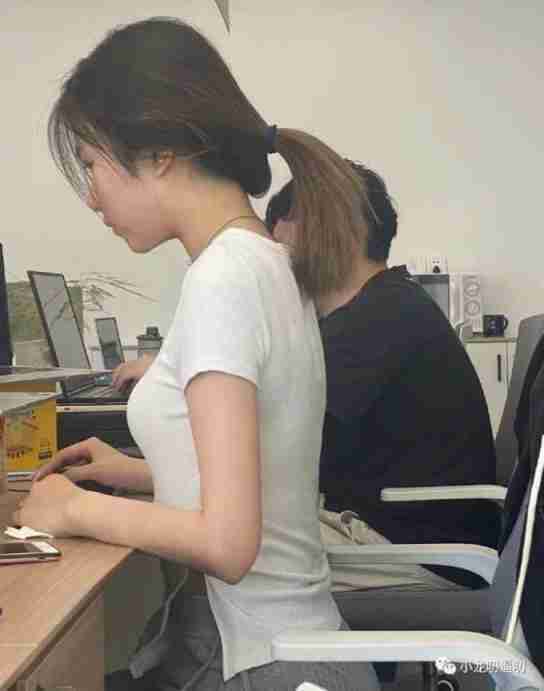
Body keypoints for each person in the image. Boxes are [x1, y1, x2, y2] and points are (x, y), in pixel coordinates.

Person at [14, 17, 380, 691]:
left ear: (159, 153)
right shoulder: (262, 260)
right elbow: (262, 475)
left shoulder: (223, 278)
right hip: (289, 648)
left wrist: (73, 509)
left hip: (266, 664)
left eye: (91, 165)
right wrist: (134, 473)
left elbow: (228, 544)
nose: (91, 197)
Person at [266, 163, 500, 588]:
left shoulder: (375, 320)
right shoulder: (385, 305)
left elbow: (275, 452)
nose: (274, 248)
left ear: (338, 229)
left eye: (284, 226)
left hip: (418, 553)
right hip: (401, 532)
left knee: (230, 542)